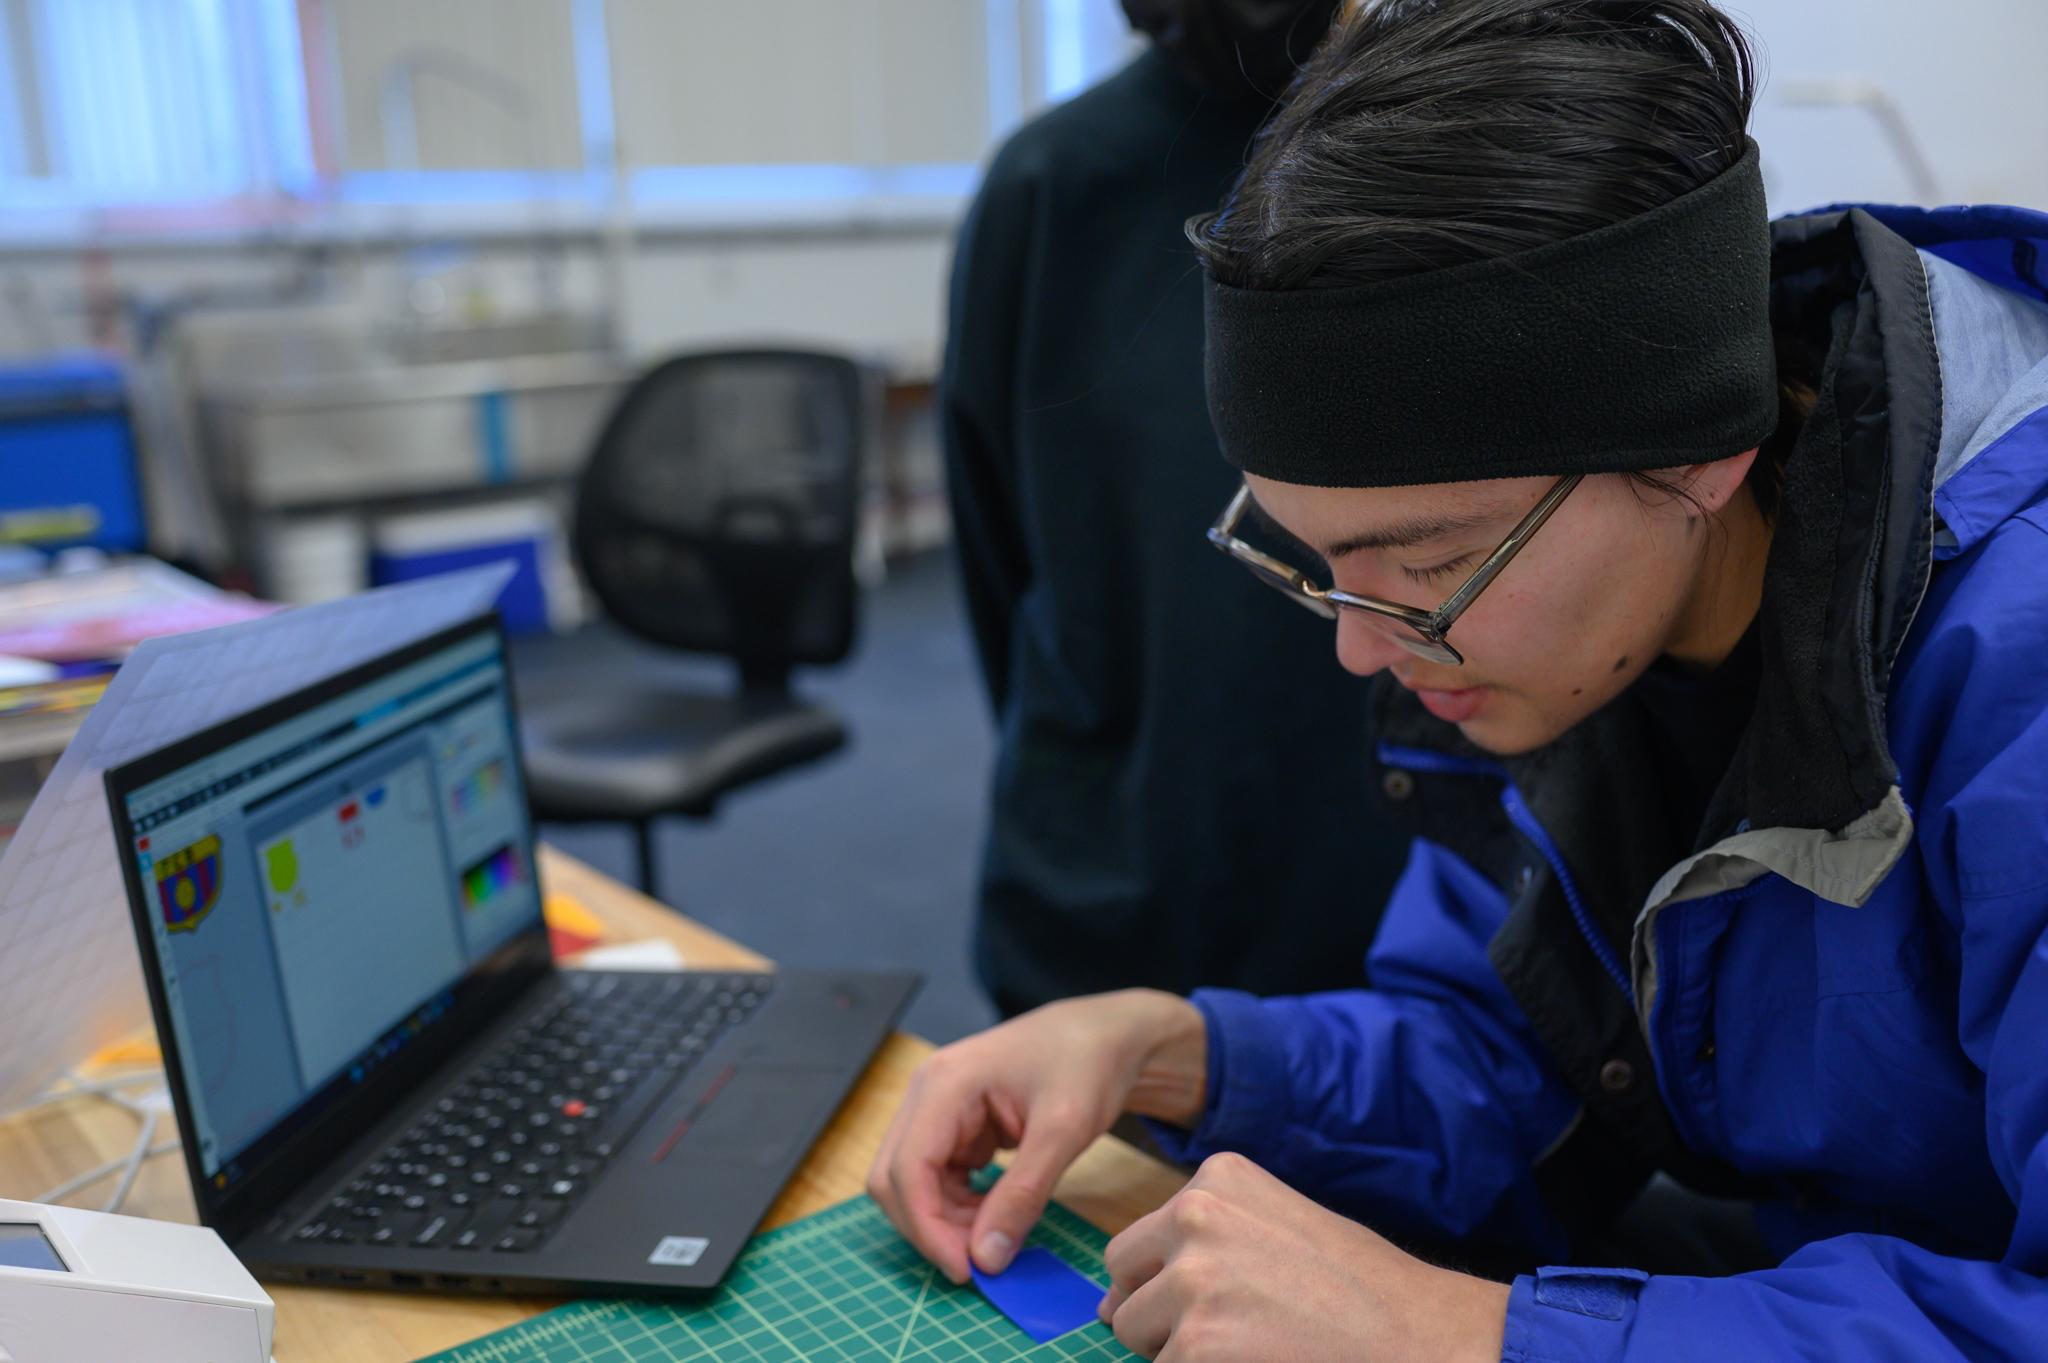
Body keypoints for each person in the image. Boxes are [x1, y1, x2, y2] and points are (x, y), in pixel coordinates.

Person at [871, 1, 2048, 1358]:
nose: (1359, 646)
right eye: (1307, 559)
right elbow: (1513, 1054)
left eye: (1421, 564)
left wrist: (1465, 1327)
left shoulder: (2014, 672)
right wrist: (1176, 1048)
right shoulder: (1570, 641)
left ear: (1700, 446)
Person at [939, 0, 1408, 1020]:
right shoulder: (1048, 184)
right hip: (1107, 856)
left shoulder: (1423, 159)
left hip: (1374, 849)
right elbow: (989, 547)